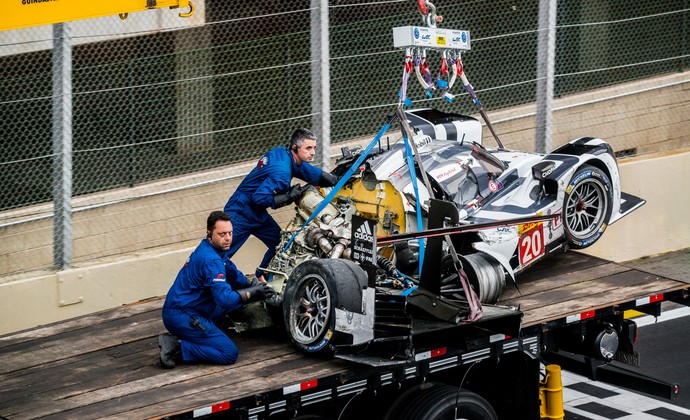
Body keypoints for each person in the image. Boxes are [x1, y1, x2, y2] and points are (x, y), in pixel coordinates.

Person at [158, 210, 275, 368]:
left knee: (235, 296)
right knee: (228, 353)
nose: (227, 238)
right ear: (209, 234)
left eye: (230, 233)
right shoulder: (211, 260)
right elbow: (224, 299)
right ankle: (176, 346)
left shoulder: (214, 249)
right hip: (183, 315)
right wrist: (251, 293)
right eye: (222, 234)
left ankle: (207, 331)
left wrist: (253, 284)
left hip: (187, 306)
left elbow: (234, 275)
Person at [223, 128, 339, 281]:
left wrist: (337, 179)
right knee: (220, 255)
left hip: (257, 213)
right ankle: (203, 290)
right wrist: (289, 197)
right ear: (295, 148)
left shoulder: (285, 155)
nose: (313, 152)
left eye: (314, 148)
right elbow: (259, 197)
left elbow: (311, 173)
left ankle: (262, 277)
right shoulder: (282, 172)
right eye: (308, 148)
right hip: (241, 211)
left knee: (280, 244)